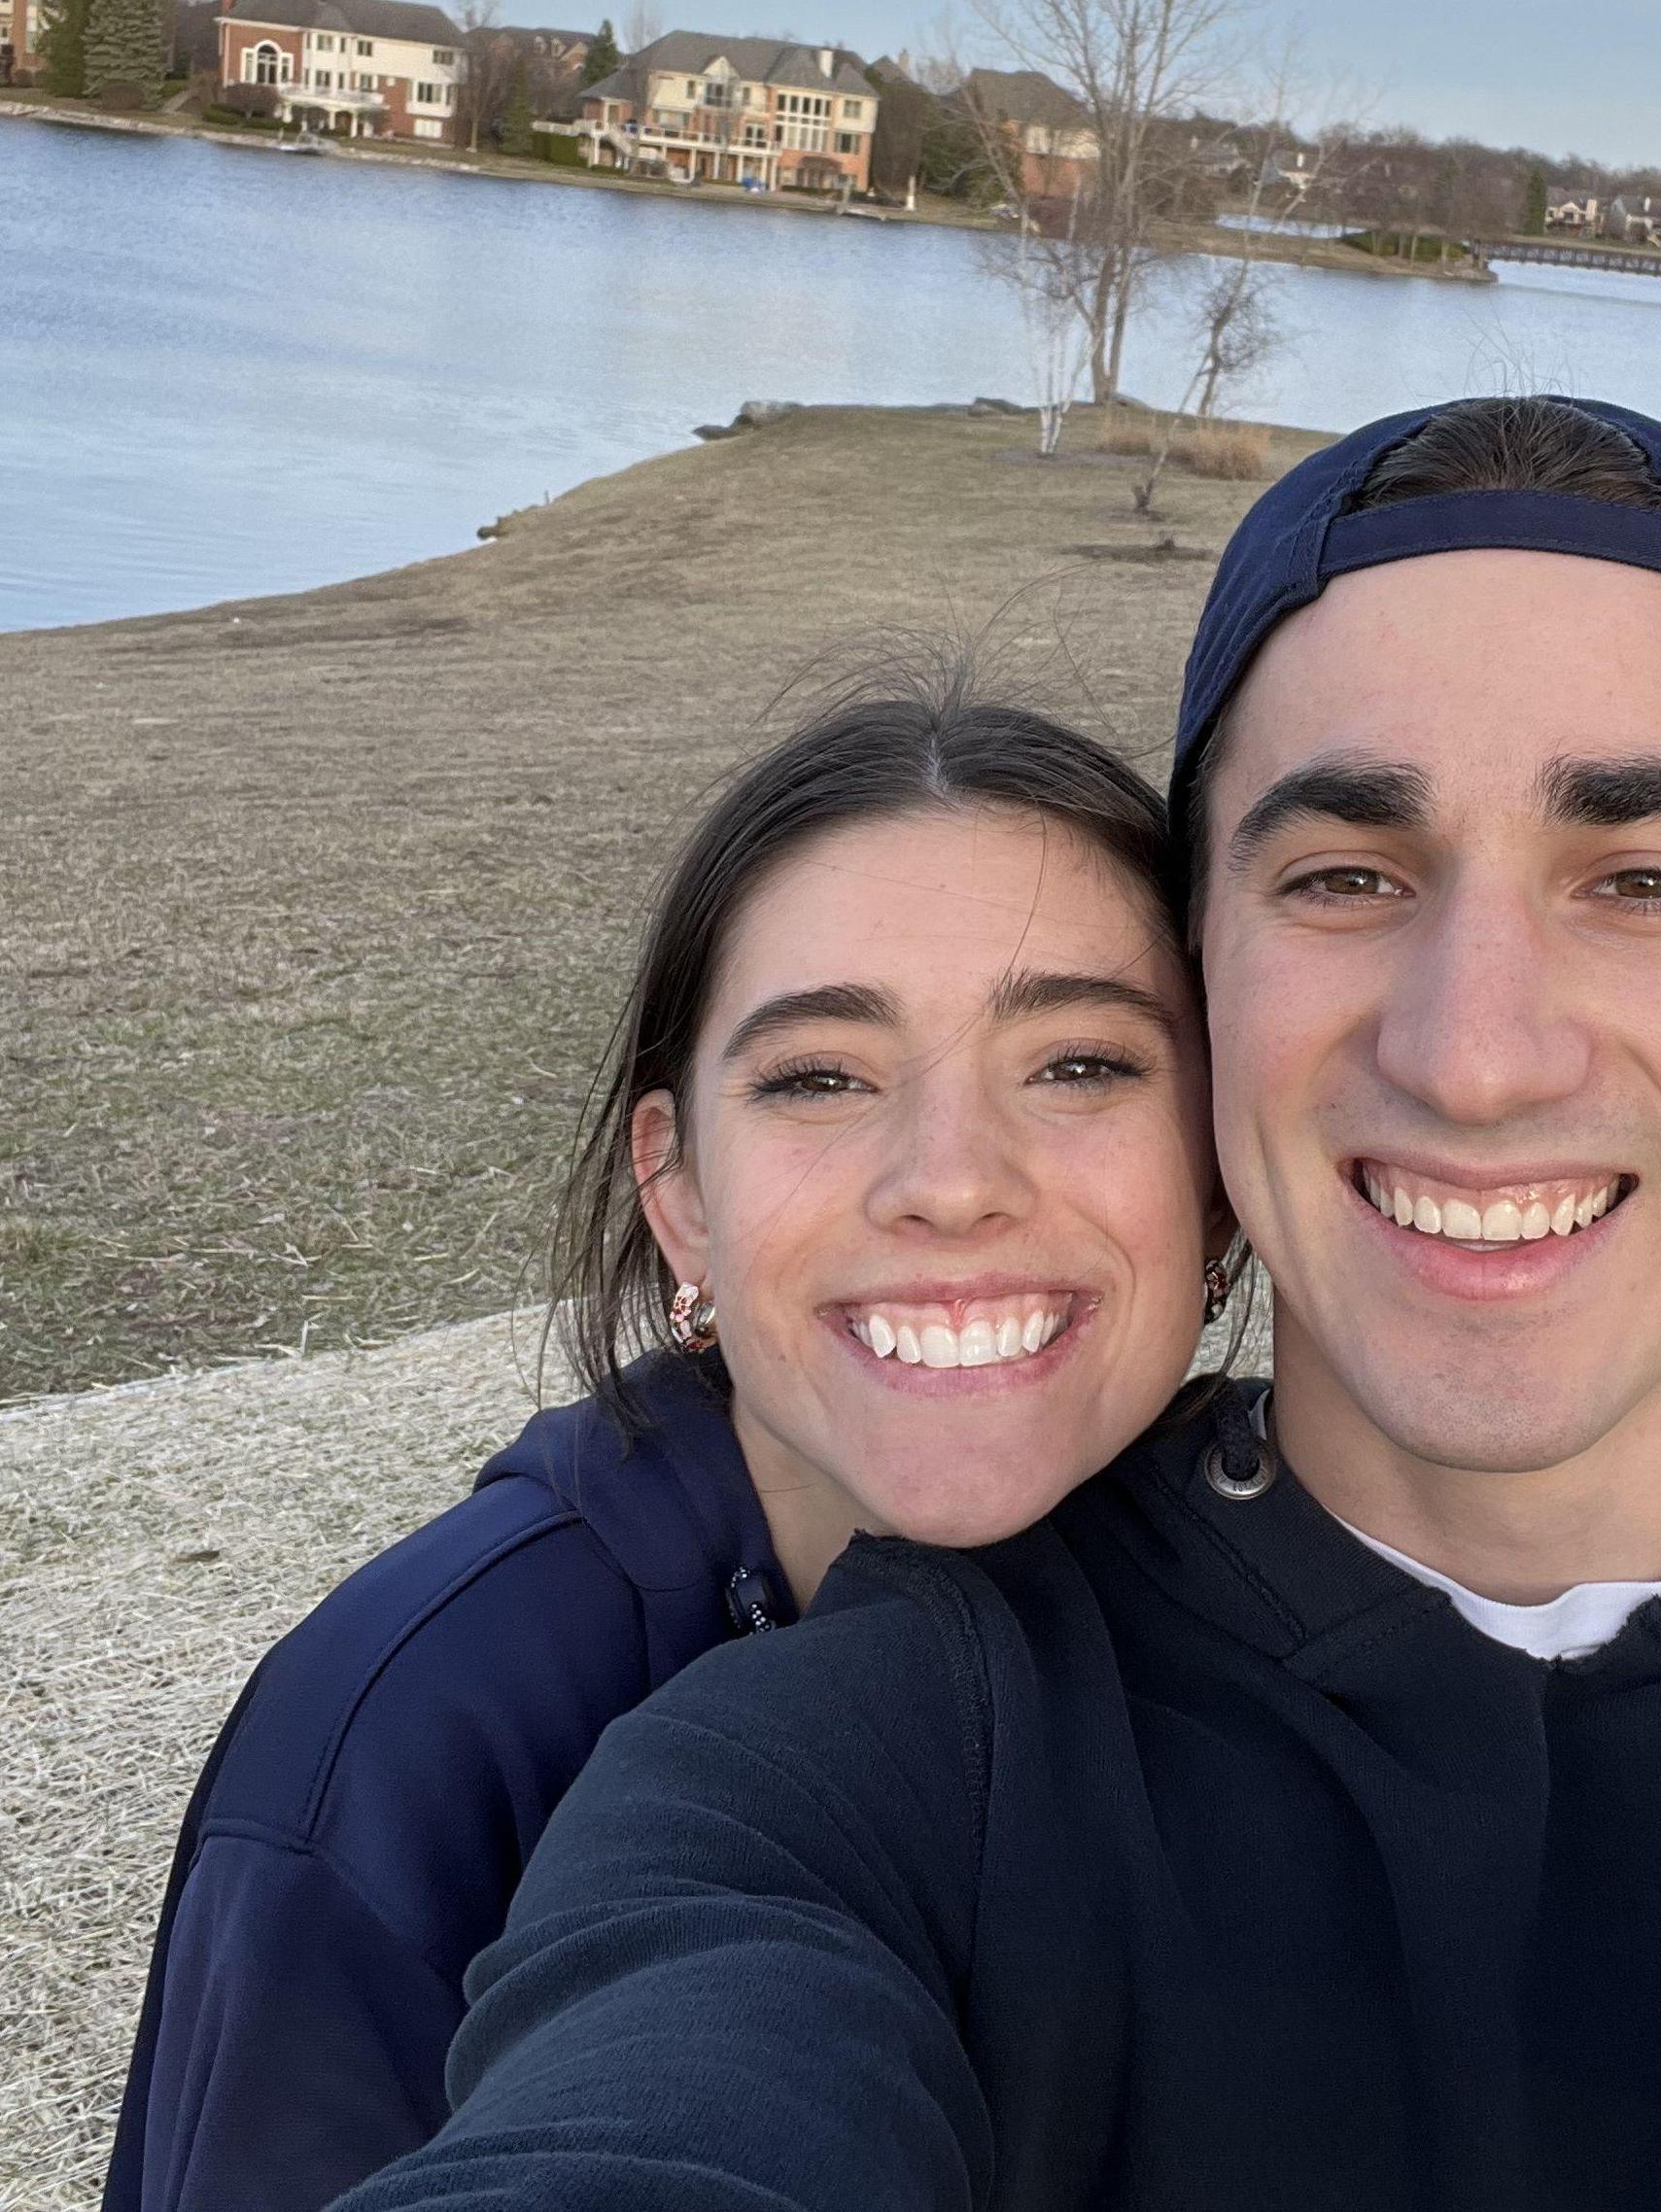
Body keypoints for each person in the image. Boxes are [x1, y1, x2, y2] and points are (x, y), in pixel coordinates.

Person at [333, 397, 1661, 2212]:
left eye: (1640, 878)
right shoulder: (878, 1757)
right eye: (1343, 876)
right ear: (1204, 981)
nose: (1475, 1053)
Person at [103, 673, 1229, 2212]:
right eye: (820, 1077)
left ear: (1221, 1169)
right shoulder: (403, 1744)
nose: (953, 1180)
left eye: (1082, 1064)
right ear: (682, 1190)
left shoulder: (1311, 1619)